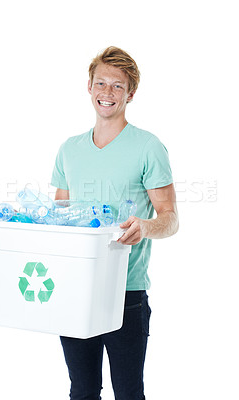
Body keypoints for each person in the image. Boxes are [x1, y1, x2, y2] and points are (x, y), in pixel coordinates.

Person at [51, 46, 179, 400]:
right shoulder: (69, 149)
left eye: (118, 86)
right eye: (101, 83)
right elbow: (58, 216)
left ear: (131, 94)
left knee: (128, 393)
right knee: (83, 390)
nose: (107, 93)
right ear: (89, 87)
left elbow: (170, 219)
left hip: (126, 293)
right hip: (75, 289)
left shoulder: (148, 147)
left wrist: (146, 227)